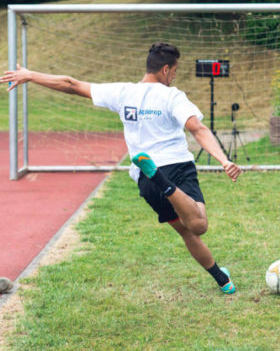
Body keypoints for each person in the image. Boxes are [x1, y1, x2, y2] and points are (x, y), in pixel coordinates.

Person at [1, 42, 242, 295]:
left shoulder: (123, 92)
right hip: (175, 167)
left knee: (185, 232)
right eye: (175, 72)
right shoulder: (173, 96)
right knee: (198, 225)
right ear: (166, 70)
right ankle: (166, 183)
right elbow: (198, 128)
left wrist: (30, 75)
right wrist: (223, 160)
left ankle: (221, 278)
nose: (174, 77)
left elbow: (71, 84)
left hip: (144, 180)